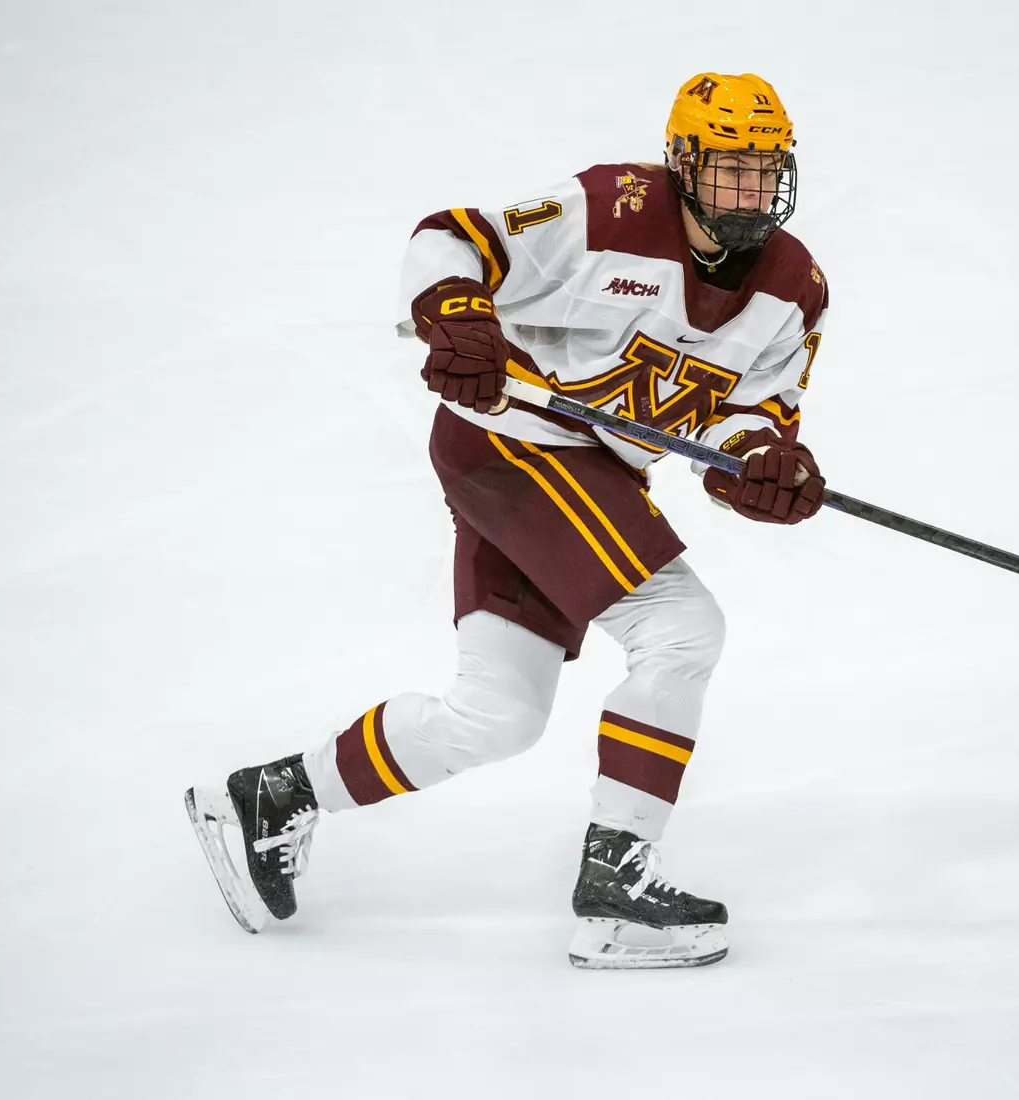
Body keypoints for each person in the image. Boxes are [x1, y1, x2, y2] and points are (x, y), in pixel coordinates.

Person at [185, 72, 829, 969]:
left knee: (496, 716)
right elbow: (453, 239)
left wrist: (763, 464)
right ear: (681, 162)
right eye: (728, 170)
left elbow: (751, 414)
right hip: (515, 449)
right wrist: (456, 313)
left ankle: (272, 795)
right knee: (679, 631)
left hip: (589, 478)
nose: (749, 193)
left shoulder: (794, 289)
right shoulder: (611, 209)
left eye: (765, 173)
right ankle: (618, 893)